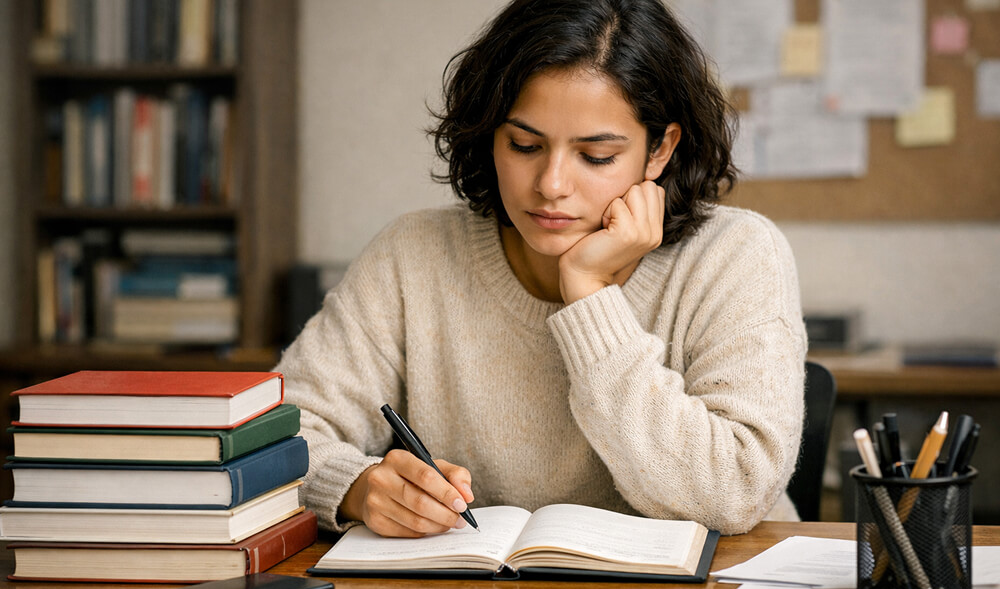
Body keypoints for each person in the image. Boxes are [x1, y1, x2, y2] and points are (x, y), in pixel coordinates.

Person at [276, 0, 807, 538]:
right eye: (524, 145)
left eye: (596, 156)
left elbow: (736, 490)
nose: (551, 184)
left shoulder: (734, 255)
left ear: (659, 150)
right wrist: (356, 486)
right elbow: (274, 437)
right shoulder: (413, 254)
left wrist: (590, 296)